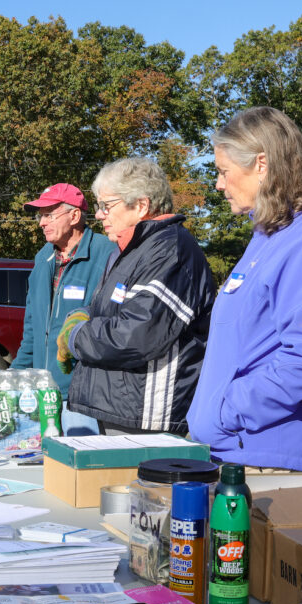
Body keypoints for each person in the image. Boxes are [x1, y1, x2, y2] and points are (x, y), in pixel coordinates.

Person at [187, 106, 302, 471]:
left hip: (272, 460)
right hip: (236, 452)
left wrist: (225, 411)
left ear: (261, 164)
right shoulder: (269, 234)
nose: (218, 184)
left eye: (224, 171)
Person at [57, 157, 216, 435]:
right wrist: (83, 315)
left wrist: (76, 336)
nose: (99, 215)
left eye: (107, 206)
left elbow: (137, 335)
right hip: (122, 410)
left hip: (147, 418)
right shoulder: (131, 250)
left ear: (141, 205)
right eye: (98, 206)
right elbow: (111, 315)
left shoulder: (170, 250)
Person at [10, 182, 115, 434]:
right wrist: (14, 376)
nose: (41, 223)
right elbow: (32, 328)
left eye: (49, 215)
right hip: (40, 395)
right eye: (40, 215)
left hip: (83, 399)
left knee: (79, 468)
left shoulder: (107, 253)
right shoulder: (42, 258)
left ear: (75, 215)